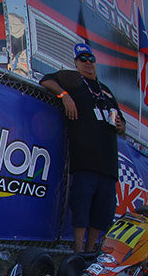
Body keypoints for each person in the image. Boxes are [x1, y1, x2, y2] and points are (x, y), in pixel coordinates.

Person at [40, 43, 126, 253]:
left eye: (91, 59)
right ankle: (77, 251)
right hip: (85, 160)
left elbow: (122, 125)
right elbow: (46, 80)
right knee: (82, 207)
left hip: (108, 164)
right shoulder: (73, 79)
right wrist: (64, 95)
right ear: (76, 63)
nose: (88, 63)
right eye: (83, 59)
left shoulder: (106, 90)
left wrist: (120, 125)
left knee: (102, 211)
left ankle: (90, 251)